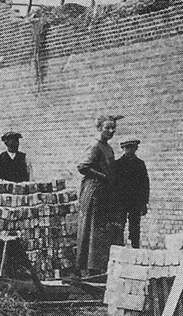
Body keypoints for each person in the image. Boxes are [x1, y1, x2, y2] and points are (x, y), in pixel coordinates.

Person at [76, 115, 124, 275]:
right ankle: (89, 268)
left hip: (105, 193)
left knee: (102, 230)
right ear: (99, 128)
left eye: (113, 128)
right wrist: (102, 176)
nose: (111, 131)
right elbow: (83, 167)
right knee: (92, 229)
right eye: (107, 128)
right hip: (94, 192)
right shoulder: (95, 146)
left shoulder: (108, 147)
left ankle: (99, 266)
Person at [113, 139, 149, 248]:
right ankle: (118, 248)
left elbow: (145, 184)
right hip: (121, 201)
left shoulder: (140, 164)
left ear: (136, 149)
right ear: (123, 149)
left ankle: (135, 247)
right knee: (119, 225)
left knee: (135, 226)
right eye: (127, 148)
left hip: (135, 201)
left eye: (132, 148)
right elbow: (113, 184)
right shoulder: (117, 164)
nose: (129, 150)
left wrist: (144, 203)